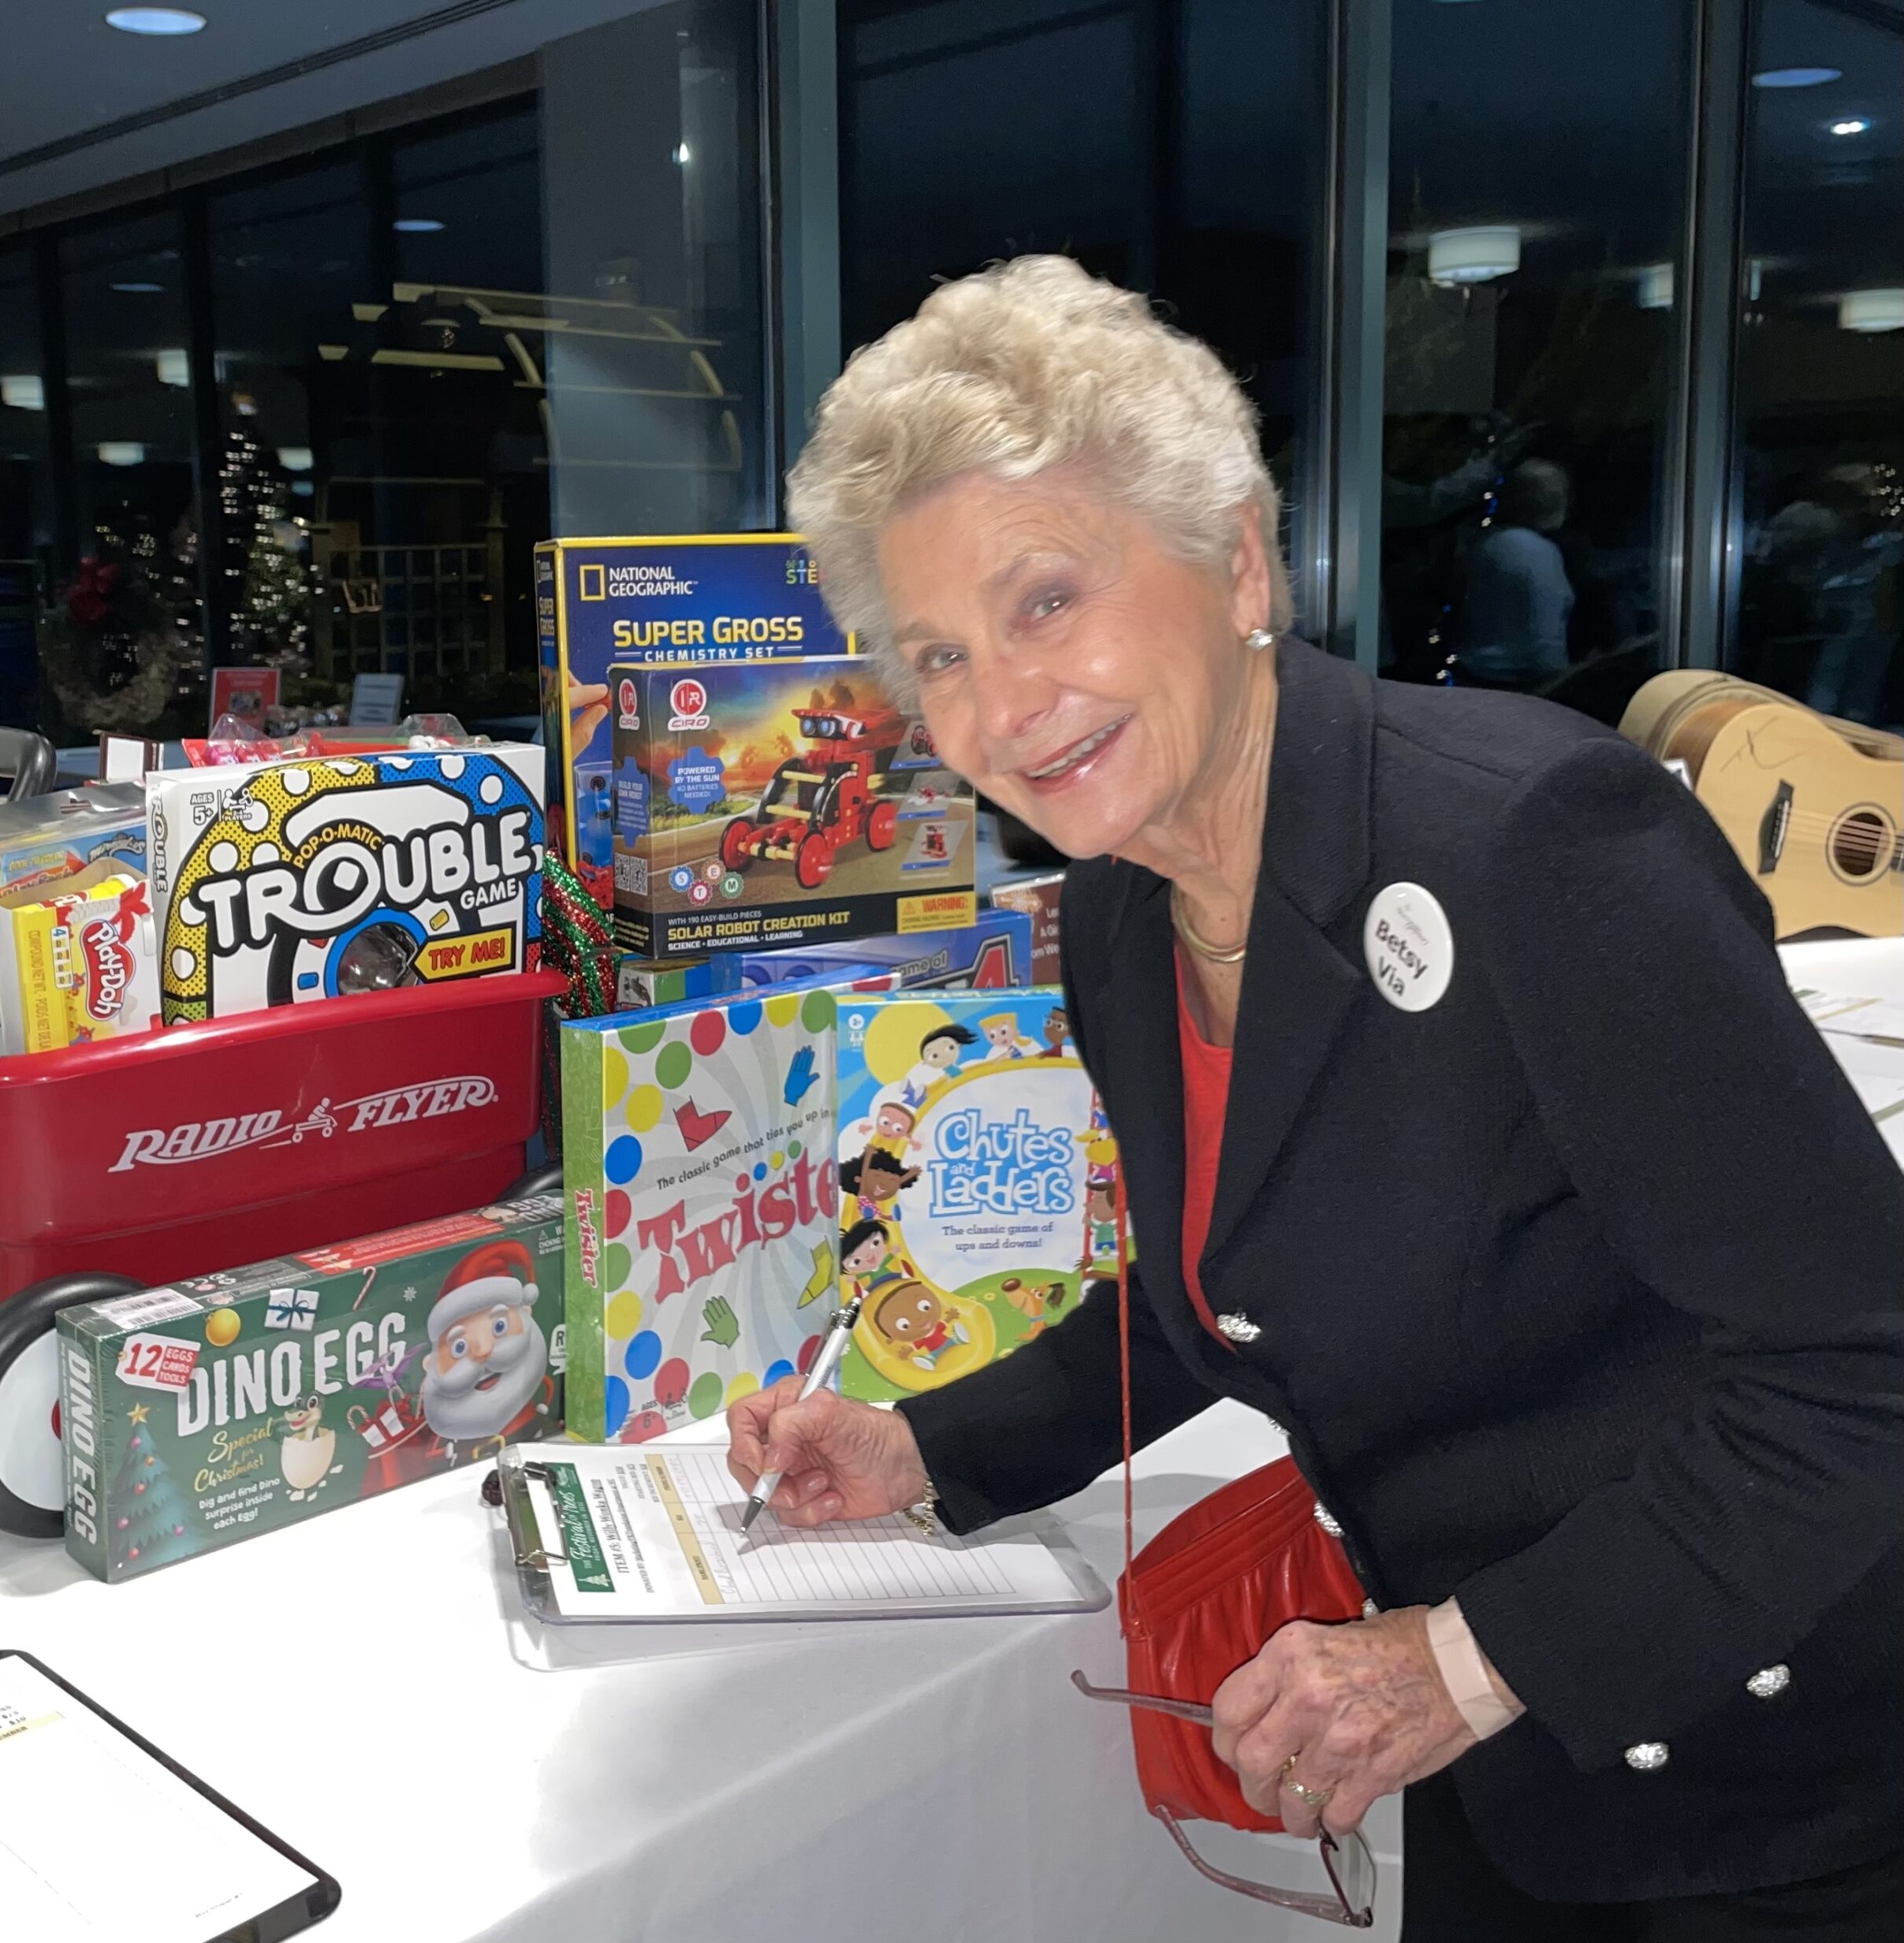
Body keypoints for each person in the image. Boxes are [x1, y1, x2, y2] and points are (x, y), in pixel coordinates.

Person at [727, 255, 1904, 1937]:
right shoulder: (1126, 902)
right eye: (939, 655)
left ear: (1234, 559)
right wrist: (919, 1437)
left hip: (1769, 1779)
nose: (998, 706)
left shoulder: (1538, 843)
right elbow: (1233, 1278)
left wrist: (1466, 1657)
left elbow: (1862, 1369)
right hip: (1512, 1764)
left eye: (1046, 599)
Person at [1455, 458, 1576, 688]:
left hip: (1476, 679)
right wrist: (1559, 686)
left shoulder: (1488, 543)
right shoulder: (1538, 552)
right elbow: (1545, 635)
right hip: (1519, 687)